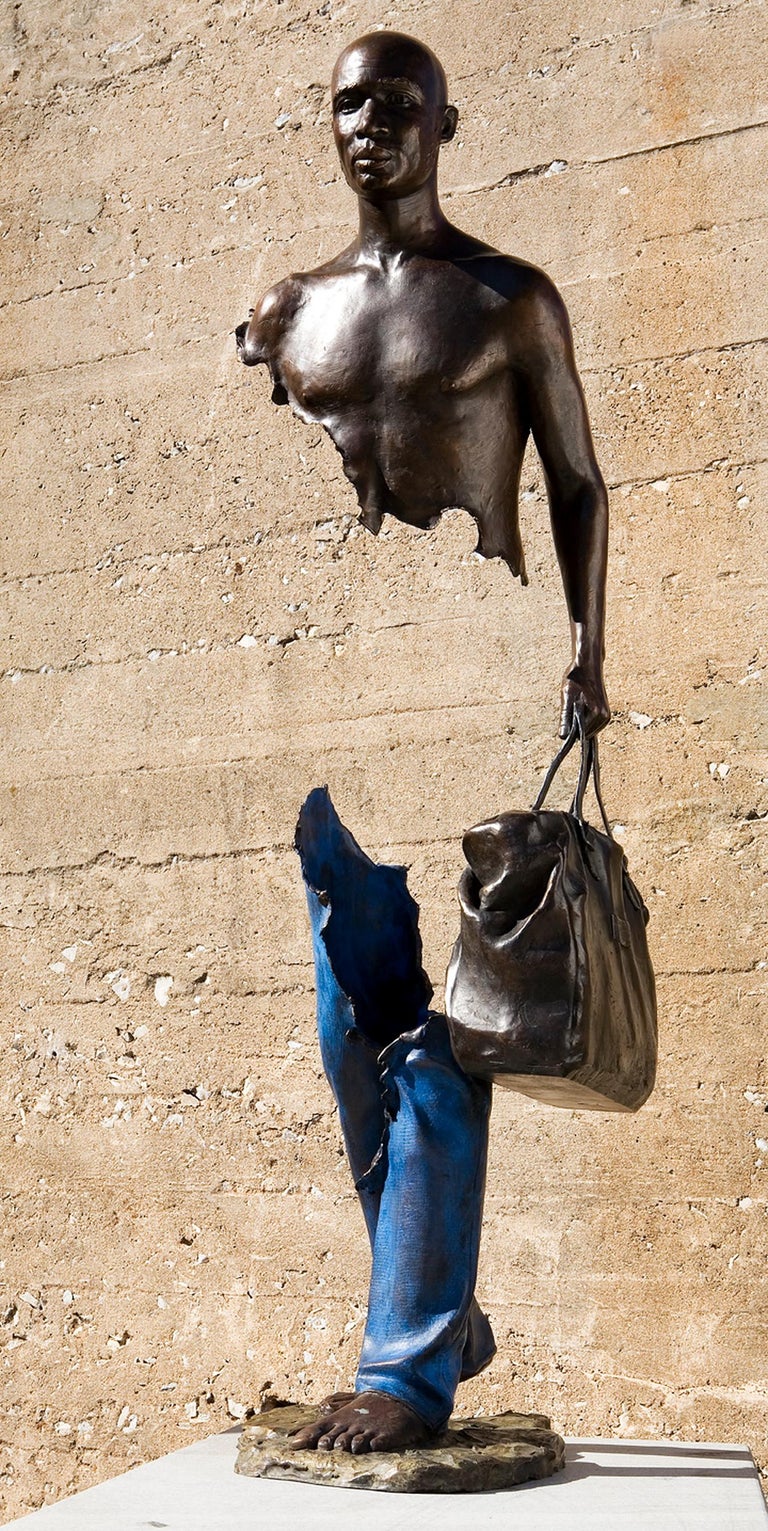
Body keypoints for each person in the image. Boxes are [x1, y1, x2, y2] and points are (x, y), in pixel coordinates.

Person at [237, 29, 610, 1455]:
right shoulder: (284, 312)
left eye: (397, 103)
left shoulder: (510, 300)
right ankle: (439, 1312)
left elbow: (579, 480)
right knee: (351, 1017)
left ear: (447, 120)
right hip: (333, 685)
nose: (369, 126)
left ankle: (406, 1368)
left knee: (442, 1041)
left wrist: (589, 651)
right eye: (347, 105)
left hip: (482, 657)